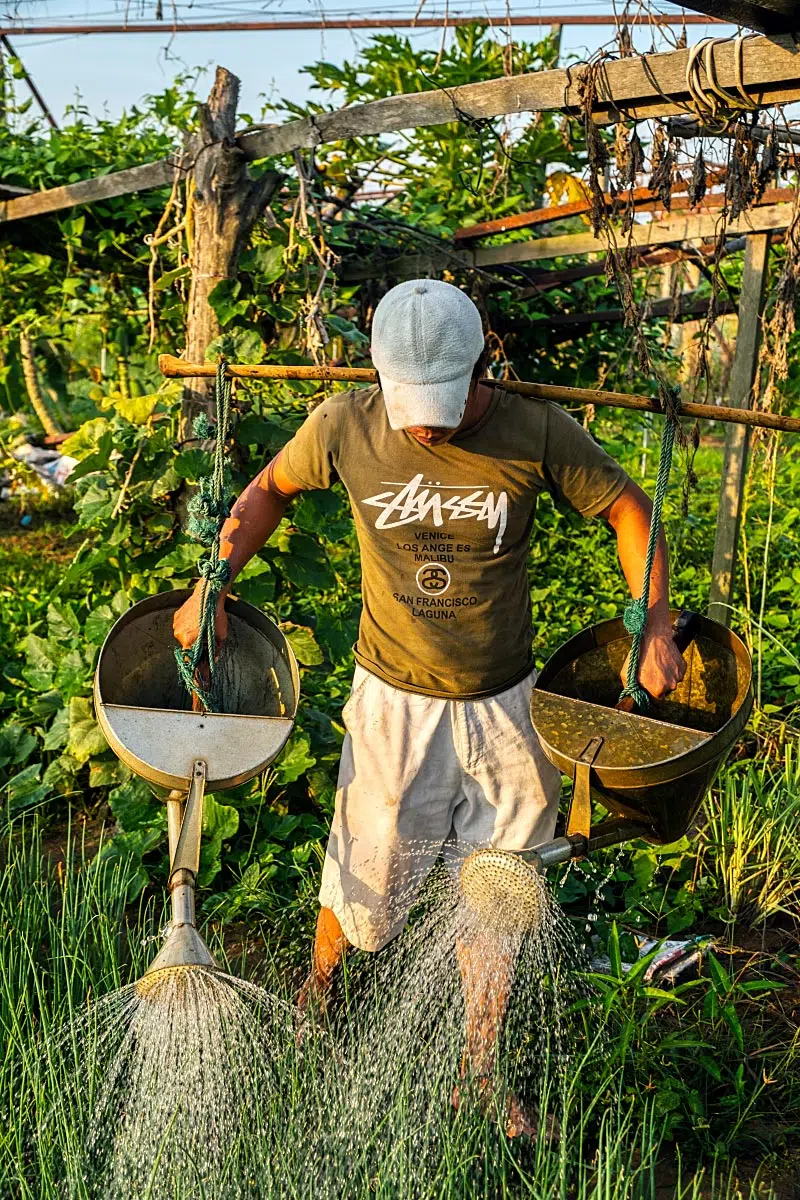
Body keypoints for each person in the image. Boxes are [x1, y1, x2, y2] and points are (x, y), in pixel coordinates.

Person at [174, 279, 686, 1136]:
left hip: (508, 709)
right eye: (411, 407)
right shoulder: (344, 424)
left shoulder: (534, 430)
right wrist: (212, 580)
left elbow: (629, 507)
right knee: (364, 874)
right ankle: (319, 999)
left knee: (503, 888)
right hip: (393, 706)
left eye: (442, 406)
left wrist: (656, 624)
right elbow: (267, 489)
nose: (426, 425)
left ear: (480, 360)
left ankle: (478, 1069)